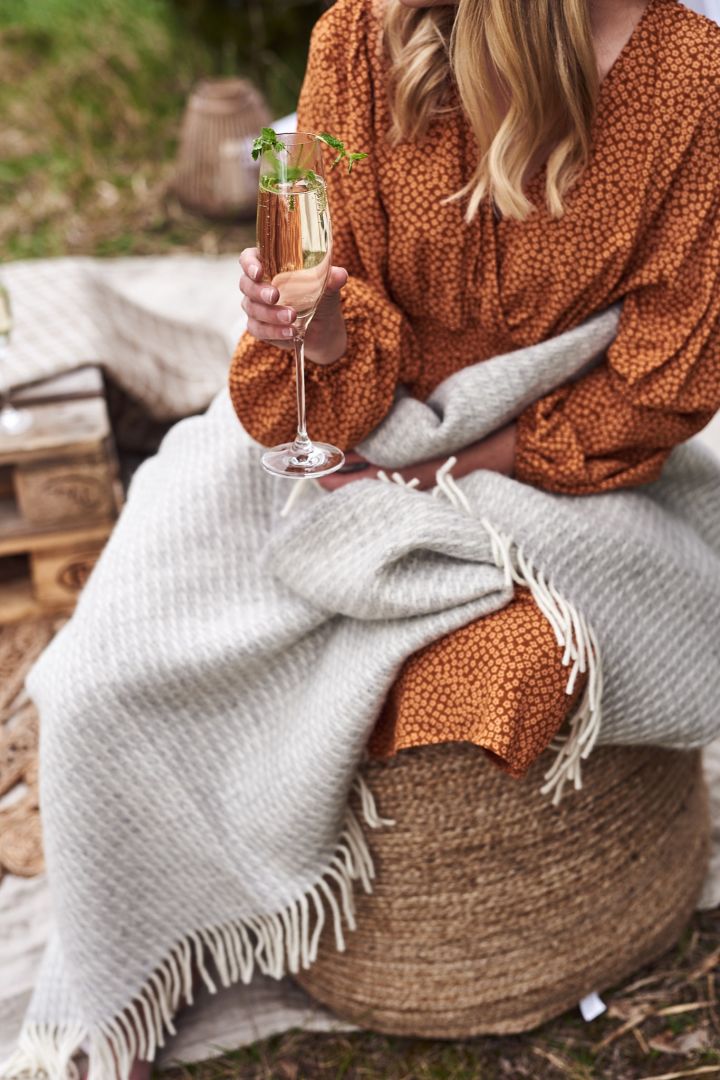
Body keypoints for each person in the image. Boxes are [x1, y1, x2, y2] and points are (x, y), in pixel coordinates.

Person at [233, 0, 720, 781]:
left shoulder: (690, 77)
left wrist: (447, 471)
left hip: (572, 467)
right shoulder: (358, 40)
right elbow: (324, 299)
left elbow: (667, 378)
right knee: (118, 669)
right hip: (355, 435)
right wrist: (318, 331)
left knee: (497, 677)